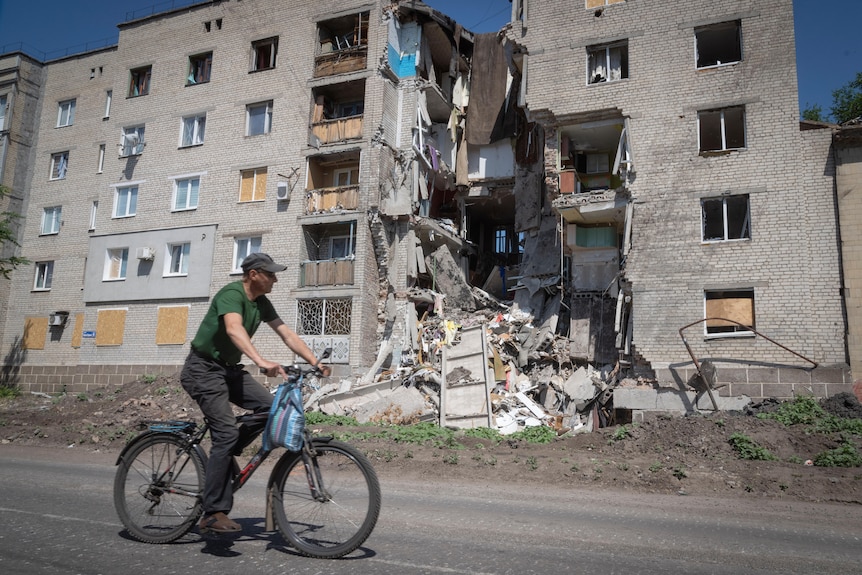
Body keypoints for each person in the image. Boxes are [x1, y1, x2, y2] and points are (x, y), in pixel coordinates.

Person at [181, 252, 331, 534]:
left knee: (272, 409)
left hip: (228, 370)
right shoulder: (231, 294)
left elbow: (287, 334)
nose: (275, 278)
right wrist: (261, 361)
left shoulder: (261, 303)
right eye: (271, 274)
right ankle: (213, 512)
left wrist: (315, 363)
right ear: (254, 275)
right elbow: (233, 329)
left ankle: (226, 453)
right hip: (202, 369)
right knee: (224, 433)